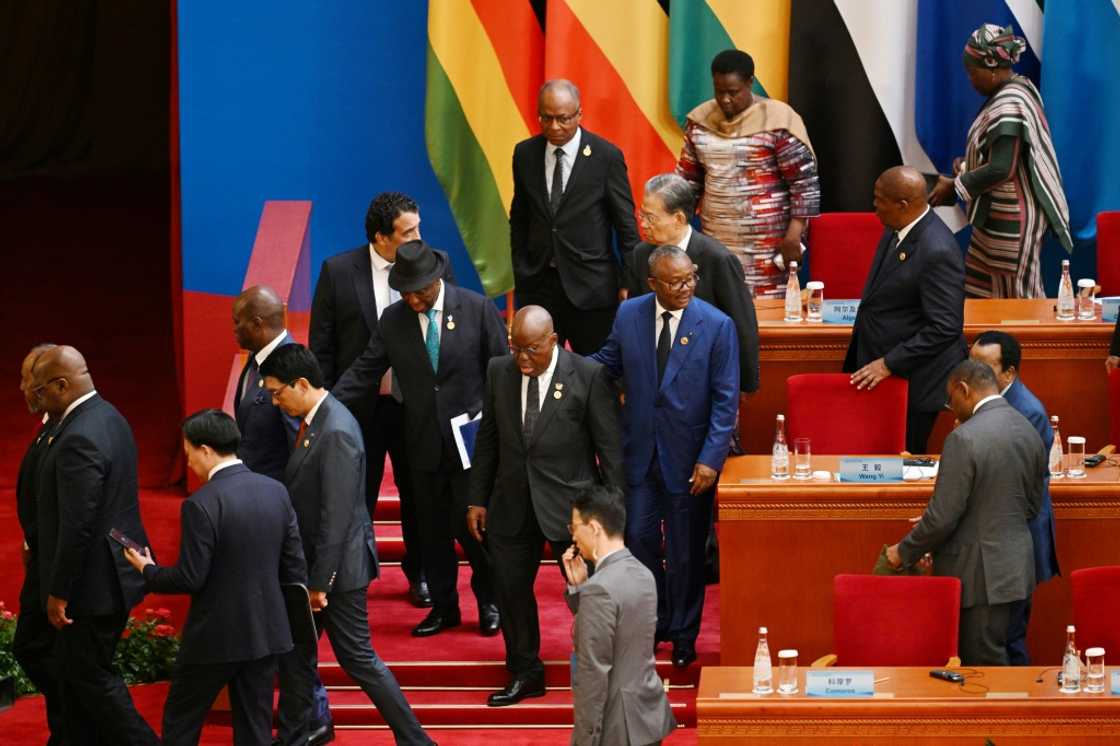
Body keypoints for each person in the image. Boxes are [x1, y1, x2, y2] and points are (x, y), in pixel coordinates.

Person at [261, 344, 433, 746]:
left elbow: (336, 516)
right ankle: (294, 735)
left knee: (358, 659)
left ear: (301, 384)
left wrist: (320, 582)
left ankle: (416, 740)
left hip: (337, 571)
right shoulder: (317, 421)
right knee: (296, 655)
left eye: (276, 391)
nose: (274, 400)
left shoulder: (336, 430)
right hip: (317, 568)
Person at [334, 240, 505, 638]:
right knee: (431, 533)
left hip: (471, 446)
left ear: (437, 280)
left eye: (420, 291)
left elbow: (501, 373)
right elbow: (365, 370)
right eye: (406, 291)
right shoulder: (394, 320)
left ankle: (489, 601)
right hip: (422, 445)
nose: (413, 298)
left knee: (477, 532)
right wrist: (324, 406)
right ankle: (445, 607)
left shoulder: (477, 309)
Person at [467, 306, 624, 707]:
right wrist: (476, 499)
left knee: (590, 595)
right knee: (511, 591)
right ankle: (525, 672)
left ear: (552, 341)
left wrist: (609, 515)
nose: (521, 358)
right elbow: (487, 439)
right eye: (515, 347)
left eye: (531, 349)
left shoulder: (586, 375)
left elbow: (609, 450)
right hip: (511, 503)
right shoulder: (498, 372)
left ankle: (604, 673)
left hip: (571, 508)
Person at [592, 245, 739, 667]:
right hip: (640, 454)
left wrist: (711, 459)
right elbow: (607, 364)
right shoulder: (630, 315)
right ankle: (658, 620)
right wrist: (561, 368)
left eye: (691, 277)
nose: (686, 287)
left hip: (690, 460)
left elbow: (725, 401)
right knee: (638, 538)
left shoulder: (716, 325)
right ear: (652, 283)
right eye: (675, 282)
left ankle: (684, 633)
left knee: (685, 551)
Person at [124, 409, 307, 746]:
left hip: (214, 638)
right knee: (256, 727)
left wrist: (146, 570)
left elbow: (190, 578)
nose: (189, 460)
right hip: (267, 633)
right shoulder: (276, 491)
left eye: (189, 451)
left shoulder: (201, 503)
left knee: (182, 721)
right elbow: (294, 566)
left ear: (205, 449)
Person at [310, 192, 453, 607]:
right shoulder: (338, 271)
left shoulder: (436, 264)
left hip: (418, 409)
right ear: (380, 237)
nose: (418, 238)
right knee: (356, 496)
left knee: (420, 496)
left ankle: (420, 573)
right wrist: (328, 406)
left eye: (419, 228)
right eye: (409, 232)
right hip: (361, 410)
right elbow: (323, 345)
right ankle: (349, 575)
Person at [30, 345, 158, 744]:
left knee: (91, 678)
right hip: (113, 572)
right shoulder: (110, 416)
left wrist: (58, 591)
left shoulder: (78, 436)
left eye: (41, 391)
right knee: (77, 676)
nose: (37, 401)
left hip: (93, 587)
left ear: (62, 384)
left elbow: (77, 525)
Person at [886, 360, 1045, 665]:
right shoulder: (1027, 426)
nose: (951, 407)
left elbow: (943, 517)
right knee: (1006, 656)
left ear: (964, 389)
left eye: (951, 399)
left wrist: (903, 551)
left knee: (984, 669)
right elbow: (1030, 506)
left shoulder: (964, 438)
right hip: (1017, 569)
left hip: (979, 576)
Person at [929, 24, 1072, 299]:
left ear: (992, 67)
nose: (970, 80)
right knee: (983, 293)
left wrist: (956, 186)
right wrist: (969, 165)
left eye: (973, 73)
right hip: (997, 217)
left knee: (1015, 302)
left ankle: (1024, 345)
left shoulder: (1010, 103)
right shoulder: (1016, 89)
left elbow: (1001, 169)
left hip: (1012, 223)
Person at [510, 79, 641, 353]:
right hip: (539, 285)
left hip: (591, 288)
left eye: (563, 119)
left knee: (596, 374)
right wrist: (521, 267)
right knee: (540, 371)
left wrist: (630, 280)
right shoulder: (525, 153)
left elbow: (626, 225)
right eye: (547, 118)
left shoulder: (606, 156)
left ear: (580, 114)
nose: (555, 127)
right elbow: (520, 216)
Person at [675, 49, 820, 298]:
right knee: (719, 307)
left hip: (768, 246)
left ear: (750, 83)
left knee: (762, 318)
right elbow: (688, 182)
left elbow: (803, 184)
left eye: (733, 92)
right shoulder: (700, 121)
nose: (726, 99)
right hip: (715, 240)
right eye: (719, 91)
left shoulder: (777, 121)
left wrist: (795, 235)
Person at [845, 165, 968, 454]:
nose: (874, 206)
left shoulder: (937, 250)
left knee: (903, 457)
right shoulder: (898, 226)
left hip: (916, 380)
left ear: (903, 205)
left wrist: (888, 363)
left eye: (879, 199)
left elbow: (946, 326)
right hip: (887, 369)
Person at [624, 172, 760, 395]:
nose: (643, 224)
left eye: (651, 217)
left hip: (705, 379)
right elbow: (636, 319)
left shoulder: (718, 259)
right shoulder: (641, 255)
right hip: (653, 379)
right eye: (642, 215)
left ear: (678, 219)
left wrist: (744, 387)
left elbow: (743, 326)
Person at [971, 330, 1059, 664]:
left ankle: (1019, 707)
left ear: (1009, 373)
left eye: (984, 367)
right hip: (997, 538)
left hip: (1017, 540)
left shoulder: (1028, 412)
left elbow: (1020, 487)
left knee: (1009, 634)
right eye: (971, 363)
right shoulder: (979, 398)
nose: (974, 373)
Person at [562, 486, 676, 746]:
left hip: (615, 728)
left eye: (574, 526)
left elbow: (594, 671)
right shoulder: (643, 574)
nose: (573, 537)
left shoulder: (599, 589)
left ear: (594, 528)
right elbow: (620, 632)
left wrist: (584, 739)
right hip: (646, 716)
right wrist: (581, 589)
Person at [13, 343, 65, 745]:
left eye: (28, 380)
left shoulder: (71, 427)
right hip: (42, 555)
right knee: (34, 648)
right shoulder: (51, 422)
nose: (22, 388)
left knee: (39, 649)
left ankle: (76, 724)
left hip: (60, 564)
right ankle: (69, 728)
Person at [232, 285, 301, 481]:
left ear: (256, 324)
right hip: (252, 486)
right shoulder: (256, 357)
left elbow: (297, 444)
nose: (233, 329)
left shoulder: (290, 366)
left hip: (276, 492)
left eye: (237, 322)